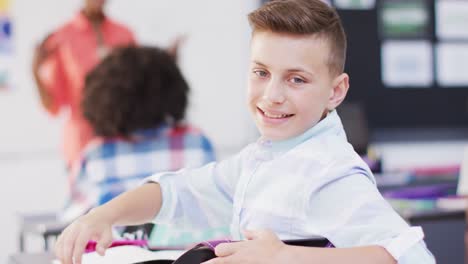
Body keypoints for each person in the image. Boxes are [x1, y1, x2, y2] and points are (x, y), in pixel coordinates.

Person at [55, 1, 435, 264]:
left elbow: (414, 257)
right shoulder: (266, 156)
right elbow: (181, 192)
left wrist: (288, 257)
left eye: (297, 79)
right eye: (261, 72)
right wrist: (103, 215)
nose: (272, 95)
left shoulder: (329, 172)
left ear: (335, 91)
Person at [67, 46, 227, 246]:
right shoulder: (197, 142)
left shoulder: (96, 153)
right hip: (189, 254)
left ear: (103, 98)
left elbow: (76, 215)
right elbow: (214, 202)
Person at [32, 0, 135, 166]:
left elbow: (139, 89)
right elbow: (52, 104)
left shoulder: (125, 34)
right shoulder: (61, 38)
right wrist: (35, 72)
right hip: (82, 147)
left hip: (123, 141)